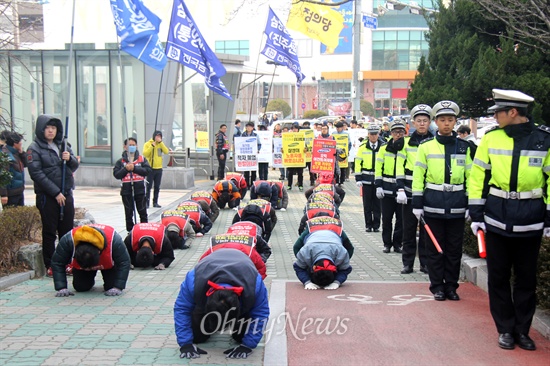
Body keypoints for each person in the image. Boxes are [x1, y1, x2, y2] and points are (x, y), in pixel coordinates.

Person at [469, 89, 548, 351]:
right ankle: (504, 329)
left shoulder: (544, 140)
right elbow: (478, 176)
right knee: (498, 277)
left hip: (531, 219)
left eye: (498, 112)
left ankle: (522, 331)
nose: (494, 117)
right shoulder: (491, 139)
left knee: (526, 279)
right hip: (496, 218)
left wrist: (549, 218)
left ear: (513, 112)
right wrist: (476, 214)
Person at [412, 100, 471, 302]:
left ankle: (451, 286)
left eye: (450, 120)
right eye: (442, 120)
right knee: (435, 249)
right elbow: (418, 175)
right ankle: (437, 286)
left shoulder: (465, 147)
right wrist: (417, 203)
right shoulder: (426, 147)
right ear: (436, 122)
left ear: (455, 122)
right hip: (433, 202)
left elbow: (471, 177)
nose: (446, 123)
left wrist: (472, 203)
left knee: (454, 249)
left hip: (457, 203)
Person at [174, 249, 269, 359]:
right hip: (208, 277)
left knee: (240, 337)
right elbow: (181, 309)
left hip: (242, 275)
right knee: (198, 337)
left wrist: (248, 345)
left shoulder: (254, 286)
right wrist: (185, 344)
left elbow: (261, 314)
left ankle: (238, 327)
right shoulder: (193, 282)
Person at [27, 115, 80, 277]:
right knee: (50, 231)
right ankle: (51, 264)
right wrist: (55, 192)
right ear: (41, 129)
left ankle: (67, 262)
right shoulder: (34, 148)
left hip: (66, 193)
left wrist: (69, 158)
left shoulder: (63, 145)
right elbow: (36, 173)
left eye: (53, 128)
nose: (50, 131)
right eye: (47, 128)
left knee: (67, 231)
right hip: (48, 196)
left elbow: (74, 165)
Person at [397, 105, 433, 275]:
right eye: (419, 121)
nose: (422, 124)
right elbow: (399, 166)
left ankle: (425, 263)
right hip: (409, 192)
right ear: (413, 122)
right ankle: (407, 263)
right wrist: (400, 189)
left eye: (425, 121)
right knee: (409, 230)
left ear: (430, 122)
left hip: (428, 192)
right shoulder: (405, 142)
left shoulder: (434, 142)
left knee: (426, 231)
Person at [51, 224, 130, 297]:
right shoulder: (68, 240)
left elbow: (124, 262)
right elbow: (57, 262)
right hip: (83, 265)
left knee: (111, 287)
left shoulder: (114, 240)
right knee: (81, 287)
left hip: (108, 266)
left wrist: (118, 287)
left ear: (99, 252)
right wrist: (61, 287)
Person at [293, 216, 353, 290]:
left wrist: (337, 282)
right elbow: (298, 266)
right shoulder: (306, 251)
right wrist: (307, 282)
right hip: (313, 232)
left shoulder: (342, 253)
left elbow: (346, 268)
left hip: (333, 231)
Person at [375, 121, 407, 254]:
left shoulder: (407, 147)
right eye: (395, 132)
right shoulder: (384, 148)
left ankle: (397, 244)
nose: (398, 134)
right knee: (387, 218)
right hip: (387, 188)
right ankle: (387, 244)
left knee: (401, 219)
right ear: (391, 133)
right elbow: (378, 167)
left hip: (402, 189)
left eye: (400, 132)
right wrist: (378, 185)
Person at [113, 137, 152, 232]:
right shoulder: (120, 162)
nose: (132, 147)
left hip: (139, 189)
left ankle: (144, 230)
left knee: (142, 211)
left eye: (133, 145)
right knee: (128, 212)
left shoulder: (142, 159)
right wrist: (126, 169)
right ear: (125, 146)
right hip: (127, 190)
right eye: (129, 145)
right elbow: (117, 174)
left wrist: (134, 168)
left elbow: (147, 171)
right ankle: (130, 231)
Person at [355, 124, 385, 232]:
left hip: (378, 180)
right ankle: (368, 224)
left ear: (378, 134)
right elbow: (358, 162)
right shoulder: (363, 147)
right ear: (368, 135)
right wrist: (358, 178)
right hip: (366, 178)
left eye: (375, 134)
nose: (373, 136)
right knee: (367, 204)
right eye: (371, 134)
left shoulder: (383, 147)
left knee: (378, 205)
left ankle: (376, 225)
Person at [200, 234, 267, 279]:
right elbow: (261, 267)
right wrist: (256, 282)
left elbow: (201, 263)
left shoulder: (214, 248)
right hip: (241, 277)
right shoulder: (250, 251)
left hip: (216, 276)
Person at [143, 130, 169, 208]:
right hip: (150, 168)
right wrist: (152, 146)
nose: (158, 138)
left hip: (159, 168)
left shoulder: (160, 144)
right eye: (157, 136)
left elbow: (166, 151)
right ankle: (146, 202)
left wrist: (161, 143)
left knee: (157, 187)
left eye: (160, 136)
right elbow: (145, 153)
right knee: (148, 186)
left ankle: (155, 202)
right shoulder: (148, 144)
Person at [1, 132, 27, 207]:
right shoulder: (6, 155)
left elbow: (26, 164)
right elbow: (2, 175)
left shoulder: (16, 153)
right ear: (15, 143)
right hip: (11, 194)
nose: (21, 143)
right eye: (20, 141)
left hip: (19, 191)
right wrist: (3, 194)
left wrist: (22, 153)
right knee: (12, 217)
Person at [241, 122, 261, 186]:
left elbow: (259, 144)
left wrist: (258, 150)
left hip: (253, 155)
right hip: (245, 155)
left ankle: (253, 184)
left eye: (250, 127)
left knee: (253, 171)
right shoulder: (243, 135)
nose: (248, 128)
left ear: (252, 128)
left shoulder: (255, 135)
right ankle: (246, 185)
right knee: (246, 171)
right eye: (247, 127)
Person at [286, 123, 304, 191]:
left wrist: (305, 149)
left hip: (299, 157)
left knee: (300, 173)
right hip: (291, 157)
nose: (295, 130)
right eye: (293, 128)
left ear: (298, 130)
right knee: (290, 173)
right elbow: (285, 145)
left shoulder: (302, 136)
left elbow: (306, 146)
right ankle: (289, 185)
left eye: (296, 129)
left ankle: (300, 185)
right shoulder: (288, 137)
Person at [331, 122, 351, 186]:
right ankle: (336, 181)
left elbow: (349, 143)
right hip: (335, 153)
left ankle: (341, 182)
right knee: (335, 167)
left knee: (343, 168)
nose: (337, 129)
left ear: (342, 127)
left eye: (339, 127)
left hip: (343, 153)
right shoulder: (333, 134)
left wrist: (347, 151)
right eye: (336, 127)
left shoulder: (346, 134)